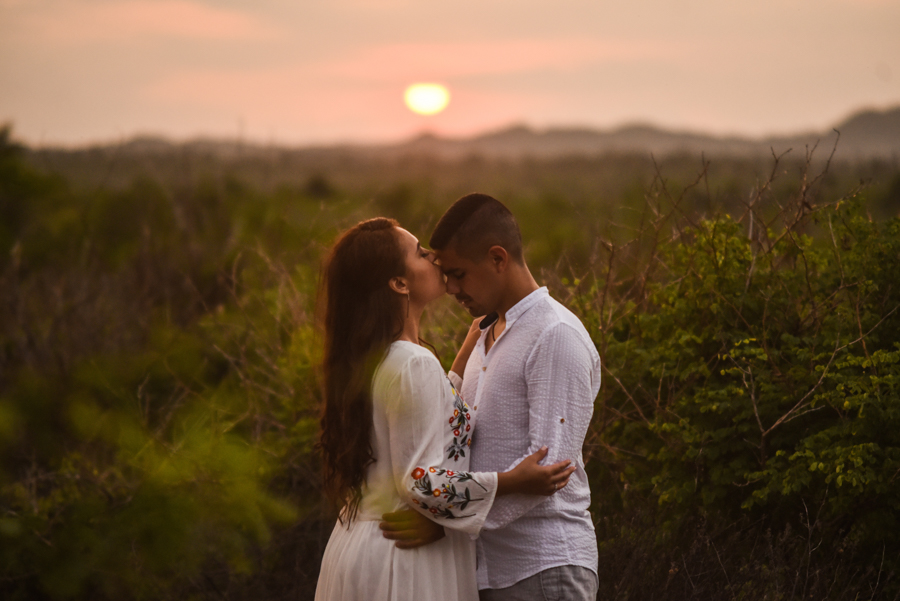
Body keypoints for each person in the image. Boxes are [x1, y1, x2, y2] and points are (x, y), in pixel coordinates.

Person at [314, 217, 577, 601]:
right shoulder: (412, 364)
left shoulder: (378, 359)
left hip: (361, 545)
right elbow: (420, 481)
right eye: (421, 253)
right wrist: (513, 481)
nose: (435, 259)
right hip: (403, 559)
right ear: (399, 283)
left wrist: (456, 366)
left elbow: (423, 425)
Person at [381, 194, 602, 600]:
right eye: (446, 275)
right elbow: (454, 434)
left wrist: (445, 523)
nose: (450, 288)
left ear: (498, 258)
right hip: (487, 570)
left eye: (459, 274)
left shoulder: (555, 335)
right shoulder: (487, 337)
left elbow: (549, 470)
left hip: (543, 567)